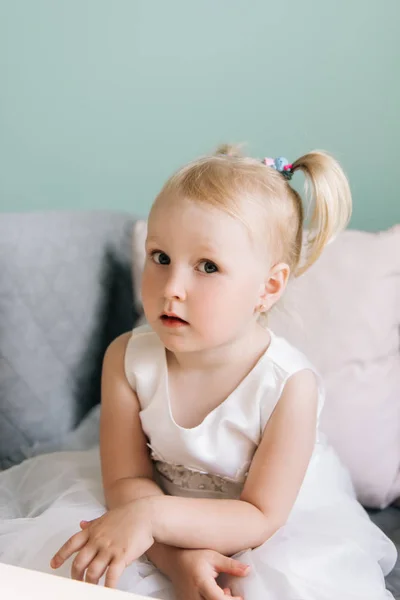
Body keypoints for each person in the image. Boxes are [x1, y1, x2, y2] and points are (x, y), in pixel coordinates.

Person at [0, 145, 397, 600]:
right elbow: (126, 481)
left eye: (207, 267)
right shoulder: (127, 359)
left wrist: (153, 520)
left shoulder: (288, 385)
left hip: (258, 530)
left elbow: (261, 516)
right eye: (160, 256)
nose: (172, 288)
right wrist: (176, 558)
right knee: (78, 560)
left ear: (268, 288)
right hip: (144, 505)